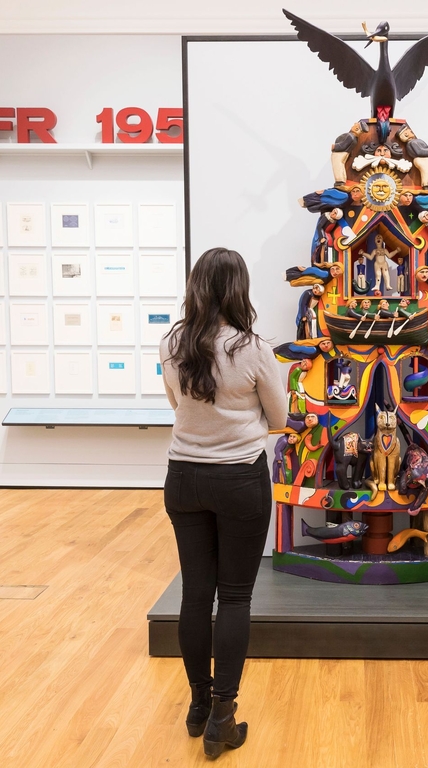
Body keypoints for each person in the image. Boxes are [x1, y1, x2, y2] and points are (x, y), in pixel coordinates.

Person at [160, 248, 288, 757]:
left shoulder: (172, 343)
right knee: (234, 597)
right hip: (238, 480)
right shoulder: (252, 349)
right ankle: (221, 717)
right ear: (239, 290)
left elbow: (177, 405)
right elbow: (279, 419)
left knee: (195, 594)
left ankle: (197, 704)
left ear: (195, 287)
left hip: (183, 478)